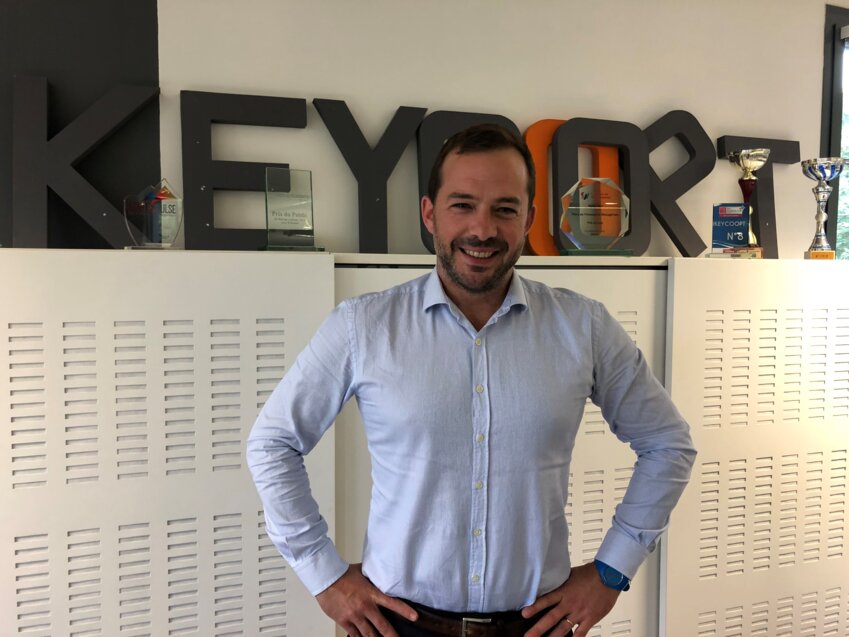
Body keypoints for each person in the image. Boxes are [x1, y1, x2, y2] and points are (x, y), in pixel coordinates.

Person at [247, 124, 696, 637]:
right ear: (429, 214)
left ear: (528, 219)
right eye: (462, 205)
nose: (482, 230)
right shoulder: (362, 327)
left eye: (504, 209)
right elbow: (272, 443)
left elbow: (668, 444)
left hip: (535, 627)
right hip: (398, 626)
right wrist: (323, 575)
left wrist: (612, 571)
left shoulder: (584, 327)